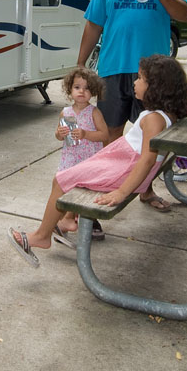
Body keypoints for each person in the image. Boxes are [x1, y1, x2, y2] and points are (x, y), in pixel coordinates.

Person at [7, 55, 187, 265]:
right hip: (121, 162)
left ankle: (41, 237)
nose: (134, 82)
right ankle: (67, 221)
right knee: (67, 177)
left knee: (60, 180)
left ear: (156, 87)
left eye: (140, 78)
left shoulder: (154, 119)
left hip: (124, 169)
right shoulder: (163, 113)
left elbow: (146, 161)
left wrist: (122, 192)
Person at [77, 0, 187, 212]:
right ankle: (108, 188)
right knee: (112, 134)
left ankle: (146, 190)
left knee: (151, 139)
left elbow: (186, 15)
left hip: (152, 75)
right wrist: (81, 65)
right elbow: (93, 25)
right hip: (113, 68)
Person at [51, 66, 110, 246]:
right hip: (70, 157)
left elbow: (104, 135)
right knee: (65, 188)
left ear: (93, 92)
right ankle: (66, 219)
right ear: (70, 89)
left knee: (79, 190)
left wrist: (85, 134)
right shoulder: (66, 112)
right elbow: (59, 136)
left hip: (87, 159)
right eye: (77, 87)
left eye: (86, 88)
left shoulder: (94, 112)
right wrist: (60, 134)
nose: (82, 91)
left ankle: (68, 220)